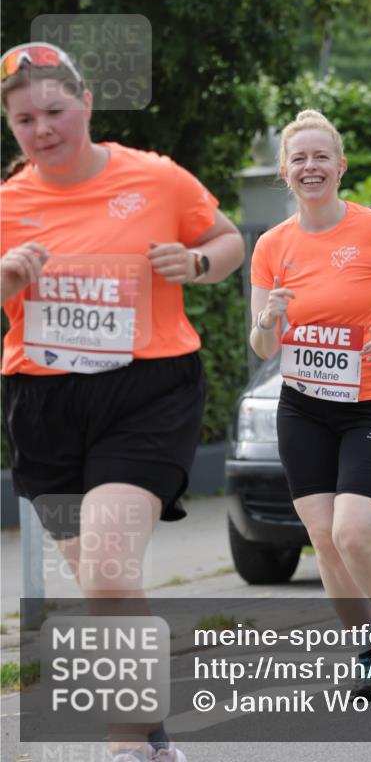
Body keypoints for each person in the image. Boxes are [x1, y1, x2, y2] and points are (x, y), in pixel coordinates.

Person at [1, 42, 245, 762]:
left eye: (54, 110)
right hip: (43, 403)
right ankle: (151, 728)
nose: (42, 129)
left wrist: (196, 263)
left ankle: (124, 745)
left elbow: (227, 240)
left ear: (87, 106)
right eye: (23, 120)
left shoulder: (157, 178)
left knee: (108, 567)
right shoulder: (6, 206)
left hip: (147, 392)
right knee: (99, 582)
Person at [249, 109, 371, 697]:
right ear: (285, 171)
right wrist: (268, 320)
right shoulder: (273, 246)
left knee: (354, 532)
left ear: (340, 165)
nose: (310, 167)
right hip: (303, 405)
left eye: (320, 157)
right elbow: (261, 344)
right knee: (323, 538)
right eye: (299, 158)